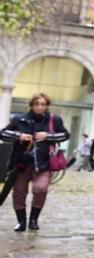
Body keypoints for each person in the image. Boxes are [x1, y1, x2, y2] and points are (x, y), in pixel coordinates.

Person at [1, 93, 71, 232]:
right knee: (19, 192)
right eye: (37, 104)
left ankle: (34, 219)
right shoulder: (19, 119)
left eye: (43, 104)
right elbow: (3, 133)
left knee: (40, 189)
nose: (39, 107)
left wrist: (48, 136)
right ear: (32, 105)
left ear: (46, 106)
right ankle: (21, 221)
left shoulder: (54, 120)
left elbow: (65, 135)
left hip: (44, 164)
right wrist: (19, 136)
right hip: (21, 164)